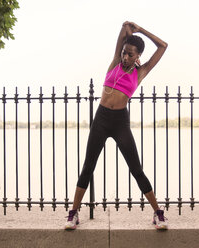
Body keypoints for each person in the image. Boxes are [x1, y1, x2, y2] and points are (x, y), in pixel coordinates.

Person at [65, 21, 168, 230]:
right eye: (124, 52)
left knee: (136, 169)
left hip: (120, 121)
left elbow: (163, 46)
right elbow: (124, 28)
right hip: (101, 119)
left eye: (131, 54)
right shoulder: (114, 63)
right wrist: (129, 27)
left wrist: (142, 31)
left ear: (138, 56)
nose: (125, 57)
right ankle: (73, 214)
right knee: (88, 166)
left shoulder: (140, 72)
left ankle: (158, 213)